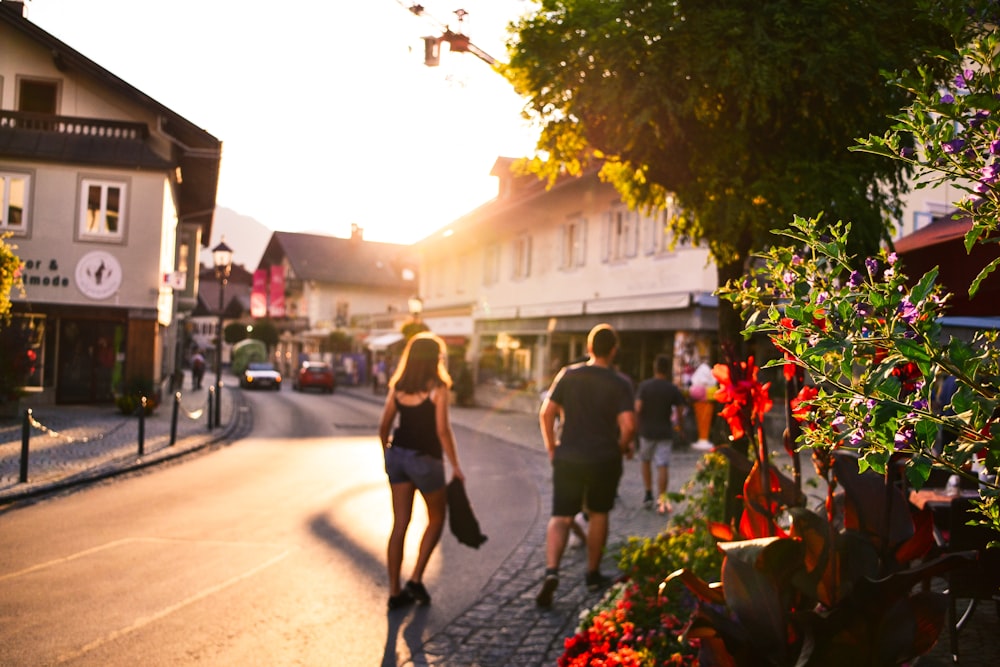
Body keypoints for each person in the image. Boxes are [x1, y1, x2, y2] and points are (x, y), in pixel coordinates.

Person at [536, 323, 636, 607]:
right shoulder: (620, 383)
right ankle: (592, 574)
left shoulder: (569, 375)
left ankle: (551, 571)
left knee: (561, 516)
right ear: (614, 350)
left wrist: (552, 447)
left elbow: (546, 413)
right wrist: (620, 447)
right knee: (599, 514)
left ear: (589, 348)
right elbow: (628, 425)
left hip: (568, 456)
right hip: (604, 459)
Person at [377, 332, 464, 610]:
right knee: (436, 518)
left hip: (398, 457)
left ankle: (394, 592)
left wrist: (386, 455)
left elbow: (384, 426)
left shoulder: (399, 387)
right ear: (434, 359)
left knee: (399, 524)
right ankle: (415, 579)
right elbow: (442, 430)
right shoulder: (437, 387)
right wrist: (456, 466)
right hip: (426, 460)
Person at [635, 354, 686, 514]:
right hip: (664, 430)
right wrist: (680, 428)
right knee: (662, 464)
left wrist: (637, 426)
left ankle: (648, 493)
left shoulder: (644, 386)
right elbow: (680, 411)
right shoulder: (672, 388)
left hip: (646, 430)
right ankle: (662, 499)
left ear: (654, 368)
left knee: (645, 461)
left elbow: (637, 408)